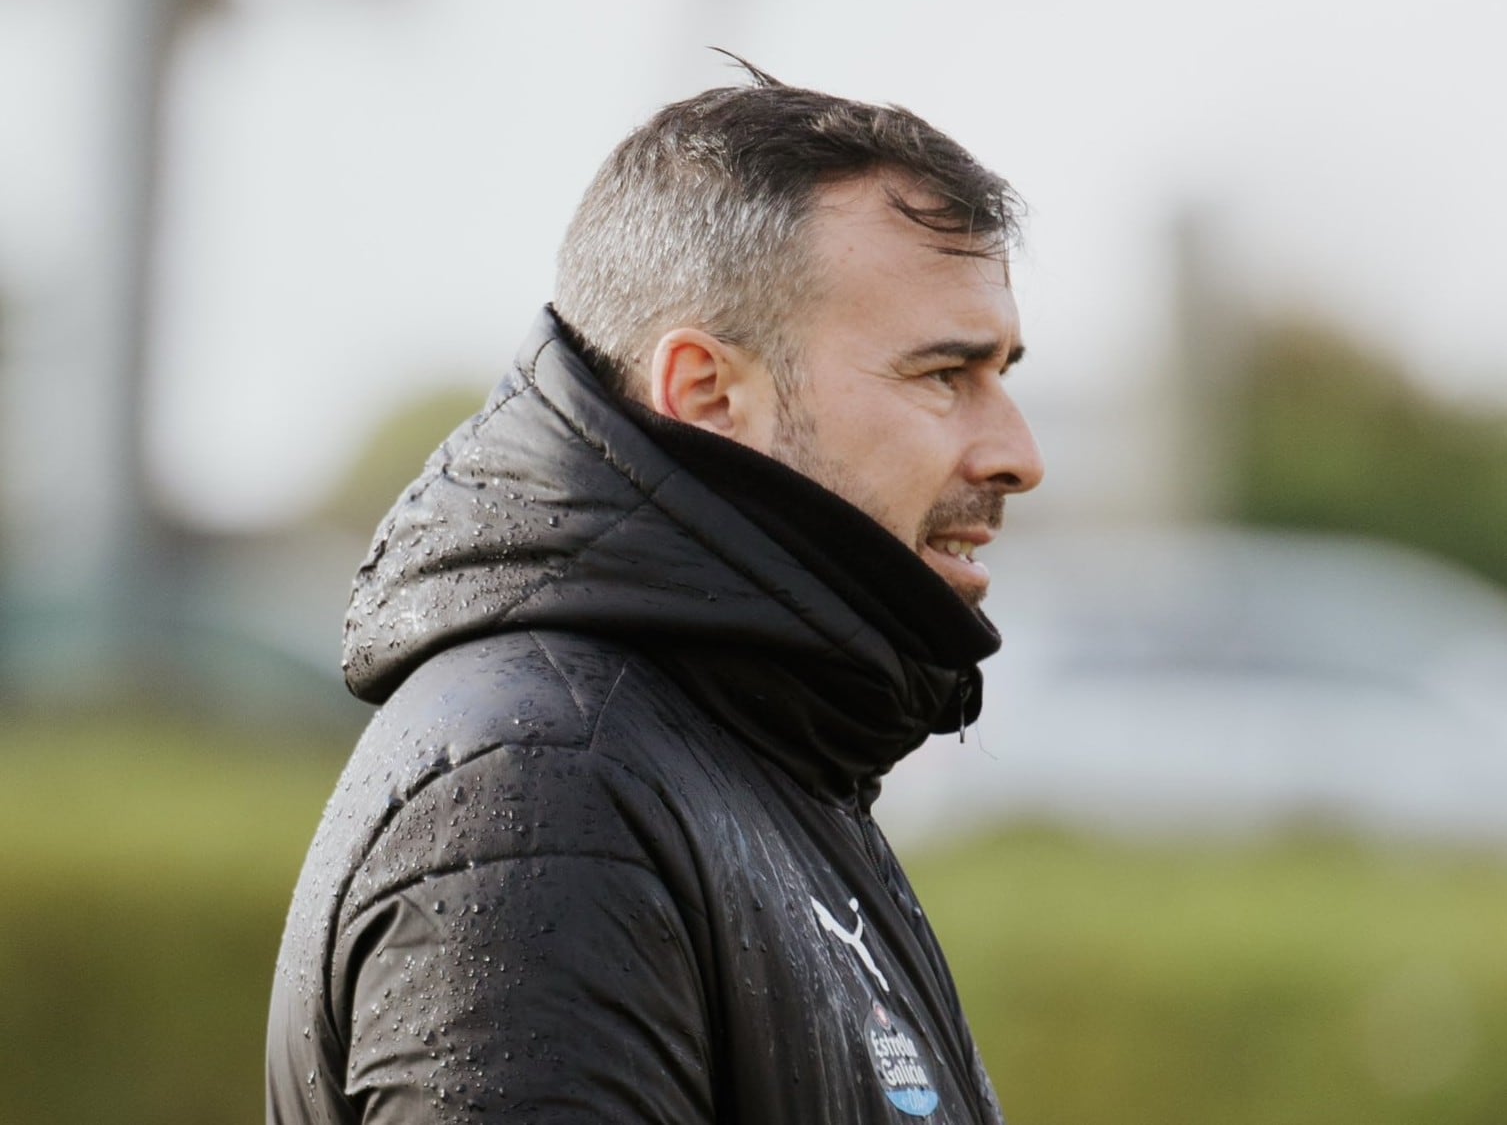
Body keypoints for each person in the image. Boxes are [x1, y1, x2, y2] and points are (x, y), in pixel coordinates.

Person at [267, 58, 1043, 1124]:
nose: (1017, 453)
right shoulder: (542, 795)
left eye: (1003, 374)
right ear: (706, 392)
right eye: (943, 375)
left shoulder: (759, 747)